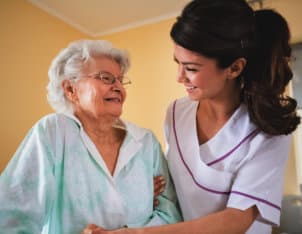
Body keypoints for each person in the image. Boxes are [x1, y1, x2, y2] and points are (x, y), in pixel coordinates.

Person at [82, 0, 301, 234]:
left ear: (234, 68)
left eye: (191, 68)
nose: (180, 77)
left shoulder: (268, 132)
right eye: (178, 63)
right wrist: (149, 188)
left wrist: (134, 233)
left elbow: (237, 219)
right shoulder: (176, 113)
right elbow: (173, 185)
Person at [0, 39, 182, 234]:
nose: (119, 87)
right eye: (106, 78)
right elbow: (11, 218)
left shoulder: (145, 141)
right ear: (71, 90)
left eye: (121, 79)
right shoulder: (54, 131)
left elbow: (170, 213)